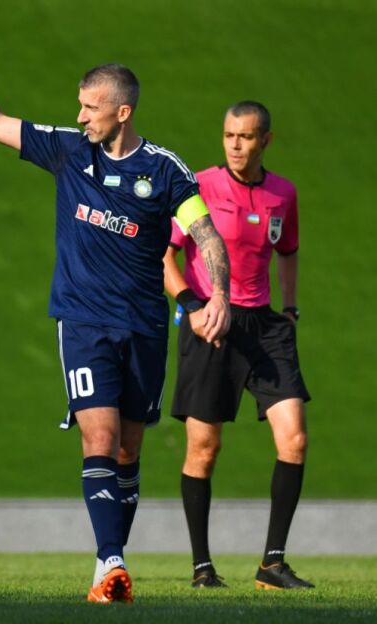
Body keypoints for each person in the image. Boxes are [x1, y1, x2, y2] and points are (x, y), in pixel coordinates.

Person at [0, 19, 232, 604]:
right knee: (100, 437)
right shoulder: (67, 149)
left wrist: (219, 296)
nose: (80, 116)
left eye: (91, 107)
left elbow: (205, 234)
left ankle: (107, 565)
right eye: (80, 106)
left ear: (122, 112)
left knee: (129, 451)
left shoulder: (165, 170)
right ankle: (112, 560)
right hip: (83, 322)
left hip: (145, 327)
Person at [163, 101, 313, 590]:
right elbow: (165, 257)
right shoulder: (199, 186)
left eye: (245, 137)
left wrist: (290, 308)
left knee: (295, 439)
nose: (235, 145)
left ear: (265, 140)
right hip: (211, 322)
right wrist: (191, 304)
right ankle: (202, 568)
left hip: (265, 326)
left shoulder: (283, 193)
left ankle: (272, 565)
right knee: (205, 449)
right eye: (229, 135)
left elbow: (287, 251)